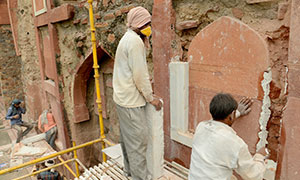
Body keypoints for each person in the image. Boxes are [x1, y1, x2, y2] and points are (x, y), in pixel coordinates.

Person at [112, 6, 162, 180]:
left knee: (127, 140)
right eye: (146, 24)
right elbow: (140, 75)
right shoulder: (134, 42)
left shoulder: (128, 37)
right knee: (138, 143)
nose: (149, 27)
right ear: (138, 24)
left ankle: (129, 172)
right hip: (130, 101)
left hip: (122, 98)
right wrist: (151, 98)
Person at [188, 93, 268, 180]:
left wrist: (235, 114)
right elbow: (253, 176)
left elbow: (217, 122)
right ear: (232, 114)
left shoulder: (201, 127)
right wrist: (260, 156)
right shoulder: (235, 143)